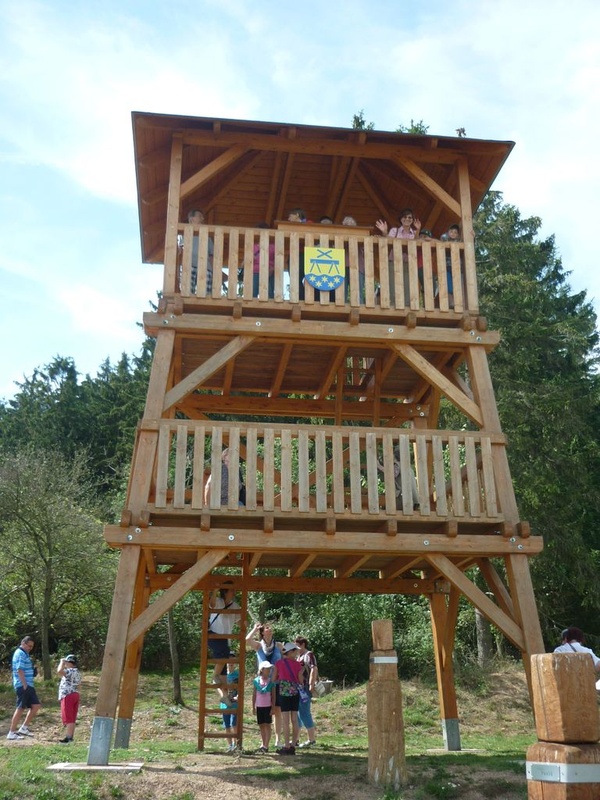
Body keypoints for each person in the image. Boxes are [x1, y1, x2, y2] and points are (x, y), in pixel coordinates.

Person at [246, 622, 284, 747]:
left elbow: (284, 661)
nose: (270, 629)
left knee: (277, 710)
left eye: (270, 628)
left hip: (276, 682)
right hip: (263, 685)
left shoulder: (278, 645)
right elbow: (247, 640)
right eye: (267, 628)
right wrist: (254, 629)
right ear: (262, 632)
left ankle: (278, 740)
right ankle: (264, 742)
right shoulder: (258, 646)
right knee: (264, 712)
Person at [375, 208, 421, 306]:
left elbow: (416, 243)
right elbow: (388, 240)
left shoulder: (414, 233)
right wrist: (384, 232)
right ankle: (393, 305)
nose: (407, 219)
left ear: (412, 220)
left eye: (410, 217)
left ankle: (407, 306)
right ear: (401, 219)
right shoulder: (395, 231)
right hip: (393, 262)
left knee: (408, 285)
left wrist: (418, 230)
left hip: (408, 264)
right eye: (405, 217)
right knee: (392, 285)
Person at [7, 635, 41, 740]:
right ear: (23, 643)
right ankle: (11, 732)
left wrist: (32, 671)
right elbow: (19, 669)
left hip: (29, 685)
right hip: (23, 685)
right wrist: (24, 684)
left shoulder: (25, 654)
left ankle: (24, 728)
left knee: (36, 705)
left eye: (32, 646)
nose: (30, 648)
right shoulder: (20, 653)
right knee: (20, 708)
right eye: (29, 646)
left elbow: (24, 668)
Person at [274, 642, 305, 756]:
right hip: (295, 693)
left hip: (284, 692)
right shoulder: (298, 665)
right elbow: (300, 680)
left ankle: (286, 745)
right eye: (295, 651)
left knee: (285, 721)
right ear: (290, 652)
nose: (297, 653)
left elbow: (274, 678)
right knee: (294, 720)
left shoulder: (279, 663)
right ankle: (293, 745)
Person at [207, 584, 241, 685]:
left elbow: (240, 622)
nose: (234, 592)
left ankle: (222, 689)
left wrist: (251, 626)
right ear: (225, 592)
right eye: (232, 590)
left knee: (223, 669)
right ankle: (215, 675)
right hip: (213, 634)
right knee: (224, 652)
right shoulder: (218, 601)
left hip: (226, 639)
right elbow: (211, 605)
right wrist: (215, 591)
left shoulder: (235, 606)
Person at [377, 446, 420, 512]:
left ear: (394, 456)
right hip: (412, 498)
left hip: (403, 498)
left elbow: (392, 474)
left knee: (385, 506)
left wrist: (379, 466)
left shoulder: (397, 465)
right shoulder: (407, 467)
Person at [183, 209, 214, 295]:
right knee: (187, 293)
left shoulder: (207, 237)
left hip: (206, 267)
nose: (202, 219)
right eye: (200, 216)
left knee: (206, 295)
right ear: (191, 219)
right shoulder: (184, 233)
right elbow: (180, 249)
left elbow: (212, 256)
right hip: (189, 266)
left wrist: (214, 271)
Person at [294, 636, 318, 748]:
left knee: (305, 713)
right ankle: (296, 739)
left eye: (297, 645)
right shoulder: (298, 656)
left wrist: (311, 684)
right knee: (298, 714)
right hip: (298, 688)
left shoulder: (309, 655)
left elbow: (314, 668)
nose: (296, 648)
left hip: (305, 688)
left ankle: (311, 739)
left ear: (303, 644)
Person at [252, 661, 277, 753]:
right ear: (262, 670)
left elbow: (273, 696)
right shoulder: (256, 681)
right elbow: (254, 695)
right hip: (259, 706)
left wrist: (273, 707)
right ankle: (263, 743)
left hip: (268, 706)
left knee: (267, 725)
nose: (269, 671)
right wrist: (253, 706)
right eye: (267, 669)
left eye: (269, 669)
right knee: (261, 725)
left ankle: (266, 745)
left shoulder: (271, 682)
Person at [57, 654, 82, 743]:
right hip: (75, 694)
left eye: (67, 662)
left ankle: (69, 738)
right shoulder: (78, 672)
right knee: (72, 717)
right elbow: (79, 685)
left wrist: (61, 662)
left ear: (70, 663)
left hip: (68, 695)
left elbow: (59, 671)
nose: (65, 664)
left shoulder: (70, 671)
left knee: (68, 717)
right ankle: (70, 736)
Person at [342, 215, 365, 304]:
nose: (349, 225)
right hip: (342, 267)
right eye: (346, 224)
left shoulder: (360, 235)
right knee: (341, 292)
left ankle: (359, 306)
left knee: (357, 292)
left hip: (357, 266)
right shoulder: (340, 235)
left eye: (351, 224)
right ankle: (341, 307)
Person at [217, 660, 239, 752]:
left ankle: (236, 745)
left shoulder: (238, 674)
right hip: (225, 704)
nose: (231, 662)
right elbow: (217, 687)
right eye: (229, 660)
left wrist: (238, 697)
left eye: (233, 660)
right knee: (227, 725)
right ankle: (230, 745)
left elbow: (241, 687)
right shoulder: (222, 674)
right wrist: (223, 696)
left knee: (234, 724)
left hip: (235, 703)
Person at [439, 223, 461, 306]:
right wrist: (447, 235)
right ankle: (451, 302)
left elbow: (466, 243)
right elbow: (443, 238)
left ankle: (456, 303)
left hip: (456, 267)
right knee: (449, 285)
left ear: (458, 235)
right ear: (448, 232)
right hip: (446, 266)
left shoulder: (458, 242)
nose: (453, 234)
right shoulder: (445, 239)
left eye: (455, 232)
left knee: (456, 285)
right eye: (451, 231)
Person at [287, 208, 307, 300]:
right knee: (294, 279)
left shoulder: (309, 224)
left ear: (297, 215)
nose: (289, 219)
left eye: (290, 216)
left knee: (309, 279)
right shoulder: (288, 227)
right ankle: (300, 298)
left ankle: (309, 297)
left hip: (305, 255)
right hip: (293, 255)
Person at [252, 223, 275, 299]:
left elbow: (277, 260)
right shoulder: (253, 247)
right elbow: (244, 263)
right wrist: (250, 259)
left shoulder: (272, 247)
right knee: (253, 292)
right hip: (255, 272)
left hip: (268, 272)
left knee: (269, 293)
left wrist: (272, 268)